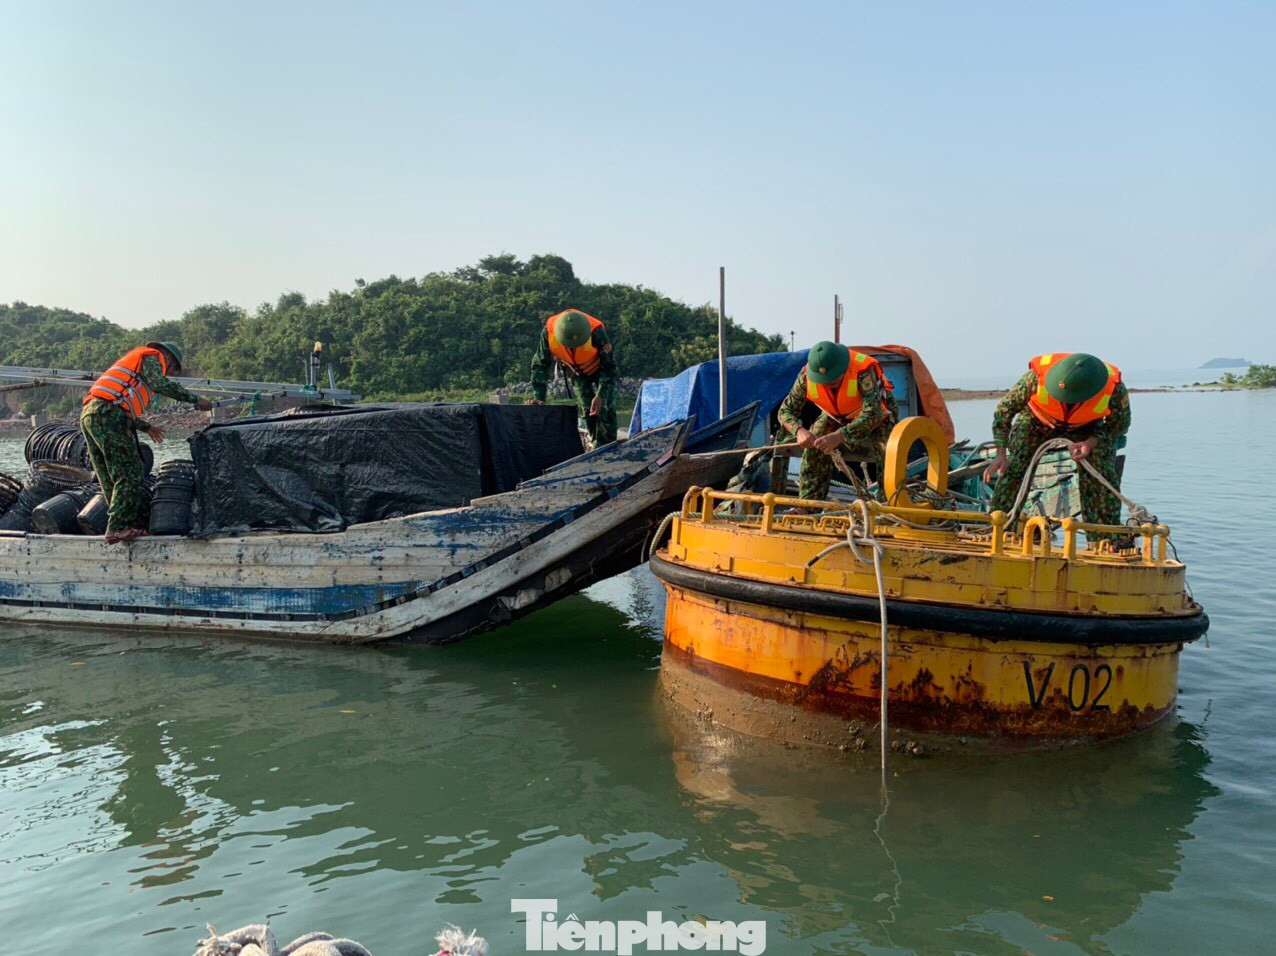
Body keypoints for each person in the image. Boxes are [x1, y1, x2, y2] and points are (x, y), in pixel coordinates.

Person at [983, 352, 1131, 539]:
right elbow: (1004, 412)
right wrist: (1001, 453)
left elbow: (1118, 425)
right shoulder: (1035, 378)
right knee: (1015, 469)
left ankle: (1104, 538)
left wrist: (1091, 443)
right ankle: (999, 529)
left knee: (1102, 473)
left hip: (1086, 427)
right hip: (1037, 421)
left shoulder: (1114, 389)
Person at [80, 341, 212, 544]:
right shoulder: (152, 357)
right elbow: (160, 384)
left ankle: (119, 526)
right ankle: (117, 528)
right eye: (170, 369)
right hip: (107, 414)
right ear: (167, 357)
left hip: (92, 414)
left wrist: (146, 427)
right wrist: (195, 399)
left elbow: (117, 401)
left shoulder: (132, 368)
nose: (166, 372)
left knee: (109, 476)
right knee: (130, 472)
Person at [775, 341, 898, 500]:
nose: (828, 382)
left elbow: (873, 413)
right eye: (824, 379)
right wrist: (799, 431)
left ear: (843, 366)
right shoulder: (805, 377)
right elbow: (785, 410)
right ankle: (809, 504)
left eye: (833, 378)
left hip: (878, 416)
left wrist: (839, 436)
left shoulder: (863, 371)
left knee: (887, 449)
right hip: (837, 415)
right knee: (816, 440)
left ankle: (888, 502)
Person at [529, 309, 619, 449]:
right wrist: (539, 398)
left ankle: (609, 447)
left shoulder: (597, 331)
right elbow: (540, 366)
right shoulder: (548, 333)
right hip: (577, 373)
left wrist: (600, 394)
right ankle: (596, 445)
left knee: (605, 409)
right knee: (588, 409)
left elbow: (609, 367)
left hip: (600, 370)